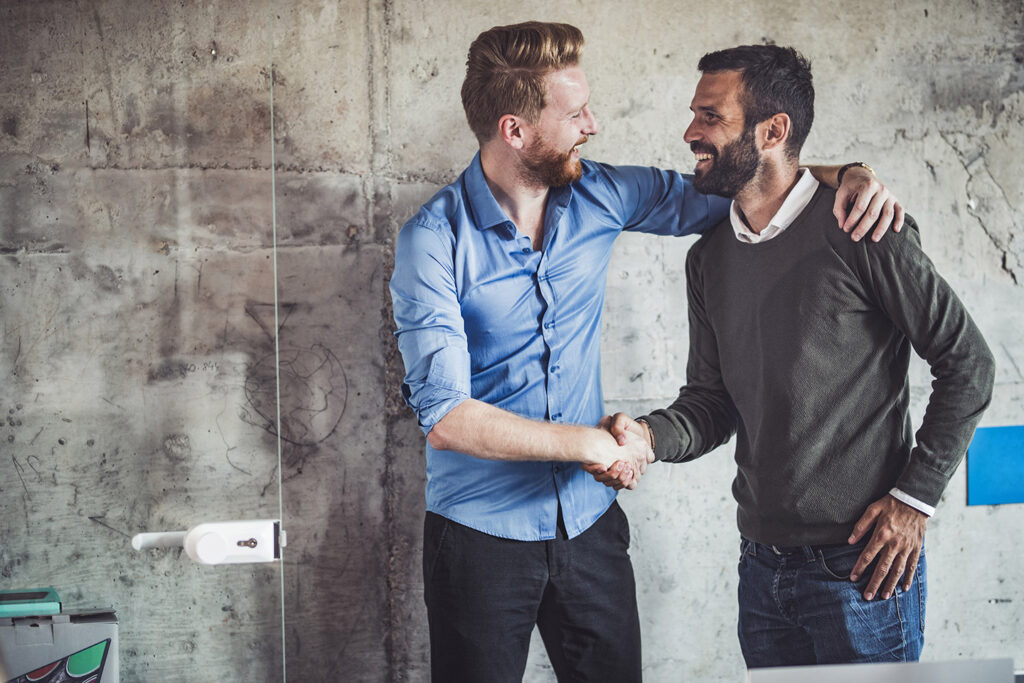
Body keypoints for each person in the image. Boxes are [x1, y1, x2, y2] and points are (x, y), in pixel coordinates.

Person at [390, 22, 904, 681]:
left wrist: (851, 173)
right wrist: (590, 445)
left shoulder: (601, 193)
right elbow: (448, 418)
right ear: (514, 130)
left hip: (591, 526)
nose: (593, 124)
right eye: (575, 114)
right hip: (479, 539)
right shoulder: (431, 242)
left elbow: (741, 182)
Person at [596, 44, 995, 668]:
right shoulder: (710, 259)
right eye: (694, 114)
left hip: (862, 570)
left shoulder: (862, 228)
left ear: (773, 130)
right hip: (760, 567)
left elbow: (968, 363)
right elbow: (711, 401)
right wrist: (646, 437)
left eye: (710, 116)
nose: (690, 132)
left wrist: (915, 501)